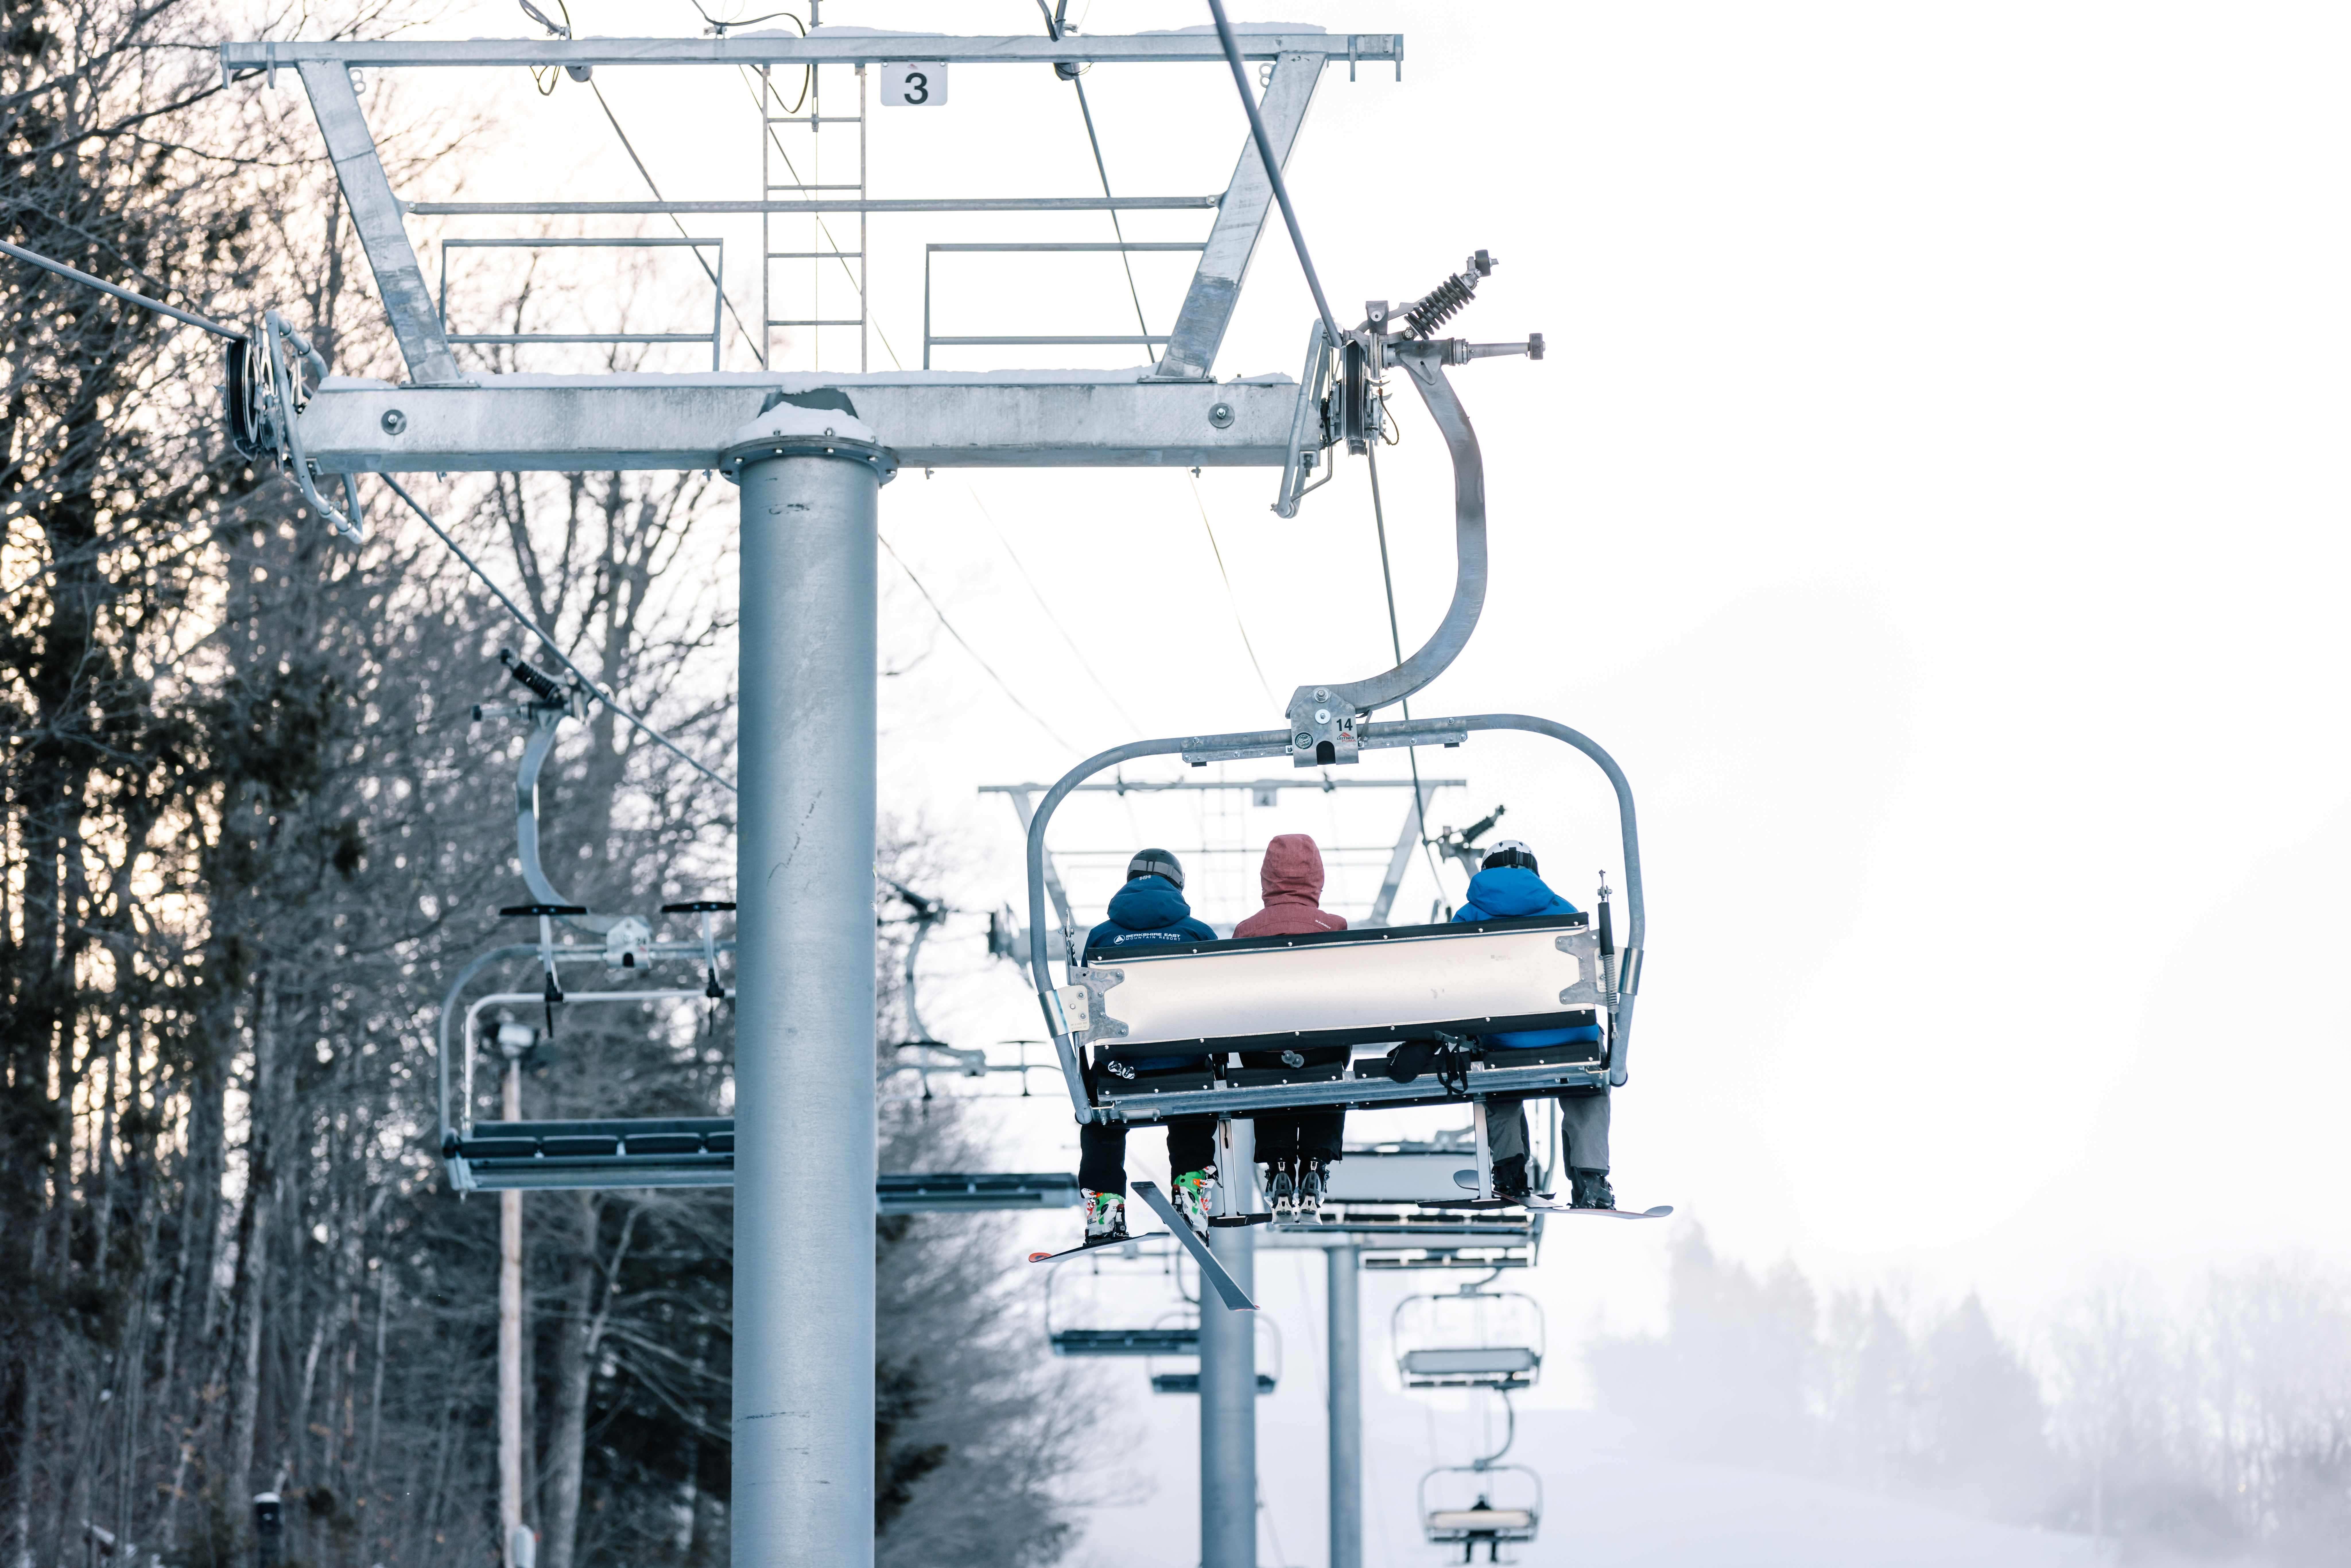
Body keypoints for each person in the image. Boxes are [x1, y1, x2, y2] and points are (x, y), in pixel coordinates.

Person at [1451, 839, 1616, 1209]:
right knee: (1589, 1081)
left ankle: (1510, 1171)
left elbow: (1453, 985)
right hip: (1571, 1034)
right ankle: (1591, 1178)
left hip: (1503, 1039)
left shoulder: (1468, 916)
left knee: (1495, 1082)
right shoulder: (1564, 911)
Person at [1075, 848, 1220, 1247]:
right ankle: (1191, 1198)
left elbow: (1089, 1006)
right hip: (1187, 1066)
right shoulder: (1197, 933)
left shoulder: (1101, 937)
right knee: (1194, 1110)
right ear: (1178, 883)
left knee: (1100, 1116)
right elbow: (1221, 1000)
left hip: (1121, 1068)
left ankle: (1104, 1210)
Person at [1232, 833, 1349, 1211]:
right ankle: (1316, 1161)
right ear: (1317, 877)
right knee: (1327, 1074)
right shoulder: (1335, 927)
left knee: (1269, 1076)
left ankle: (1278, 1162)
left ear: (1267, 878)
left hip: (1263, 1053)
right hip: (1323, 1051)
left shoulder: (1246, 931)